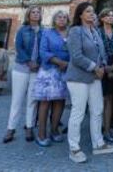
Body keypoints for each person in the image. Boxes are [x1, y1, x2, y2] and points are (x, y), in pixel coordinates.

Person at [64, 2, 113, 163]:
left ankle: (98, 144)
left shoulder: (94, 31)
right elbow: (76, 56)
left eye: (93, 12)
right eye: (88, 11)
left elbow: (101, 53)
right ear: (80, 15)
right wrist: (95, 67)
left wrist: (102, 66)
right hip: (78, 78)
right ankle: (74, 148)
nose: (92, 14)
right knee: (78, 112)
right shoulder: (75, 31)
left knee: (97, 110)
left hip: (95, 78)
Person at [3, 6, 43, 143]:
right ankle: (11, 128)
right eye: (33, 12)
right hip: (21, 67)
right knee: (17, 99)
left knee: (32, 99)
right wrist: (28, 61)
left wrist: (38, 63)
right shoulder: (22, 30)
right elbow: (19, 47)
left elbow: (44, 49)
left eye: (38, 12)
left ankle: (29, 127)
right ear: (28, 15)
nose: (36, 14)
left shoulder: (44, 31)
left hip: (36, 69)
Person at [32, 11, 70, 147]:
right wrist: (59, 62)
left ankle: (54, 130)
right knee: (45, 102)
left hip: (65, 72)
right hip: (49, 71)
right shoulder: (47, 33)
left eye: (64, 17)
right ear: (54, 20)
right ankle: (41, 133)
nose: (61, 19)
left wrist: (68, 64)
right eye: (59, 17)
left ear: (67, 20)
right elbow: (43, 52)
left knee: (60, 102)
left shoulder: (71, 33)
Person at [98, 8, 113, 144]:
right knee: (100, 99)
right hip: (100, 67)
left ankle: (107, 128)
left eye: (112, 16)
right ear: (102, 18)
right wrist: (106, 68)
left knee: (110, 99)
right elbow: (96, 51)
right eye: (108, 15)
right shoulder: (97, 32)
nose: (111, 18)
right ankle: (98, 128)